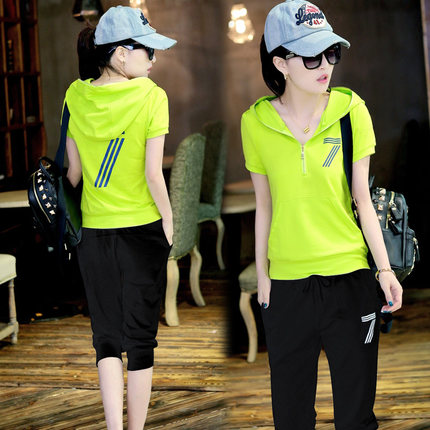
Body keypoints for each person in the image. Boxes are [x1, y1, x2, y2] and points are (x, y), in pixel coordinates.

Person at [241, 1, 403, 429]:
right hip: (287, 288)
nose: (325, 65)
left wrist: (384, 270)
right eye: (311, 56)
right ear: (280, 62)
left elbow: (362, 199)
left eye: (331, 53)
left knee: (355, 418)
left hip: (350, 280)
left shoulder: (352, 112)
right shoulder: (255, 123)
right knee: (291, 418)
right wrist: (264, 277)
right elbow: (264, 205)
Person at [64, 6, 176, 430]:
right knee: (141, 339)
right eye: (149, 50)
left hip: (94, 233)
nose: (154, 59)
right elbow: (153, 174)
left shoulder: (75, 96)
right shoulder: (152, 96)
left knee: (106, 339)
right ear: (122, 53)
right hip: (142, 231)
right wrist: (169, 221)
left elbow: (74, 174)